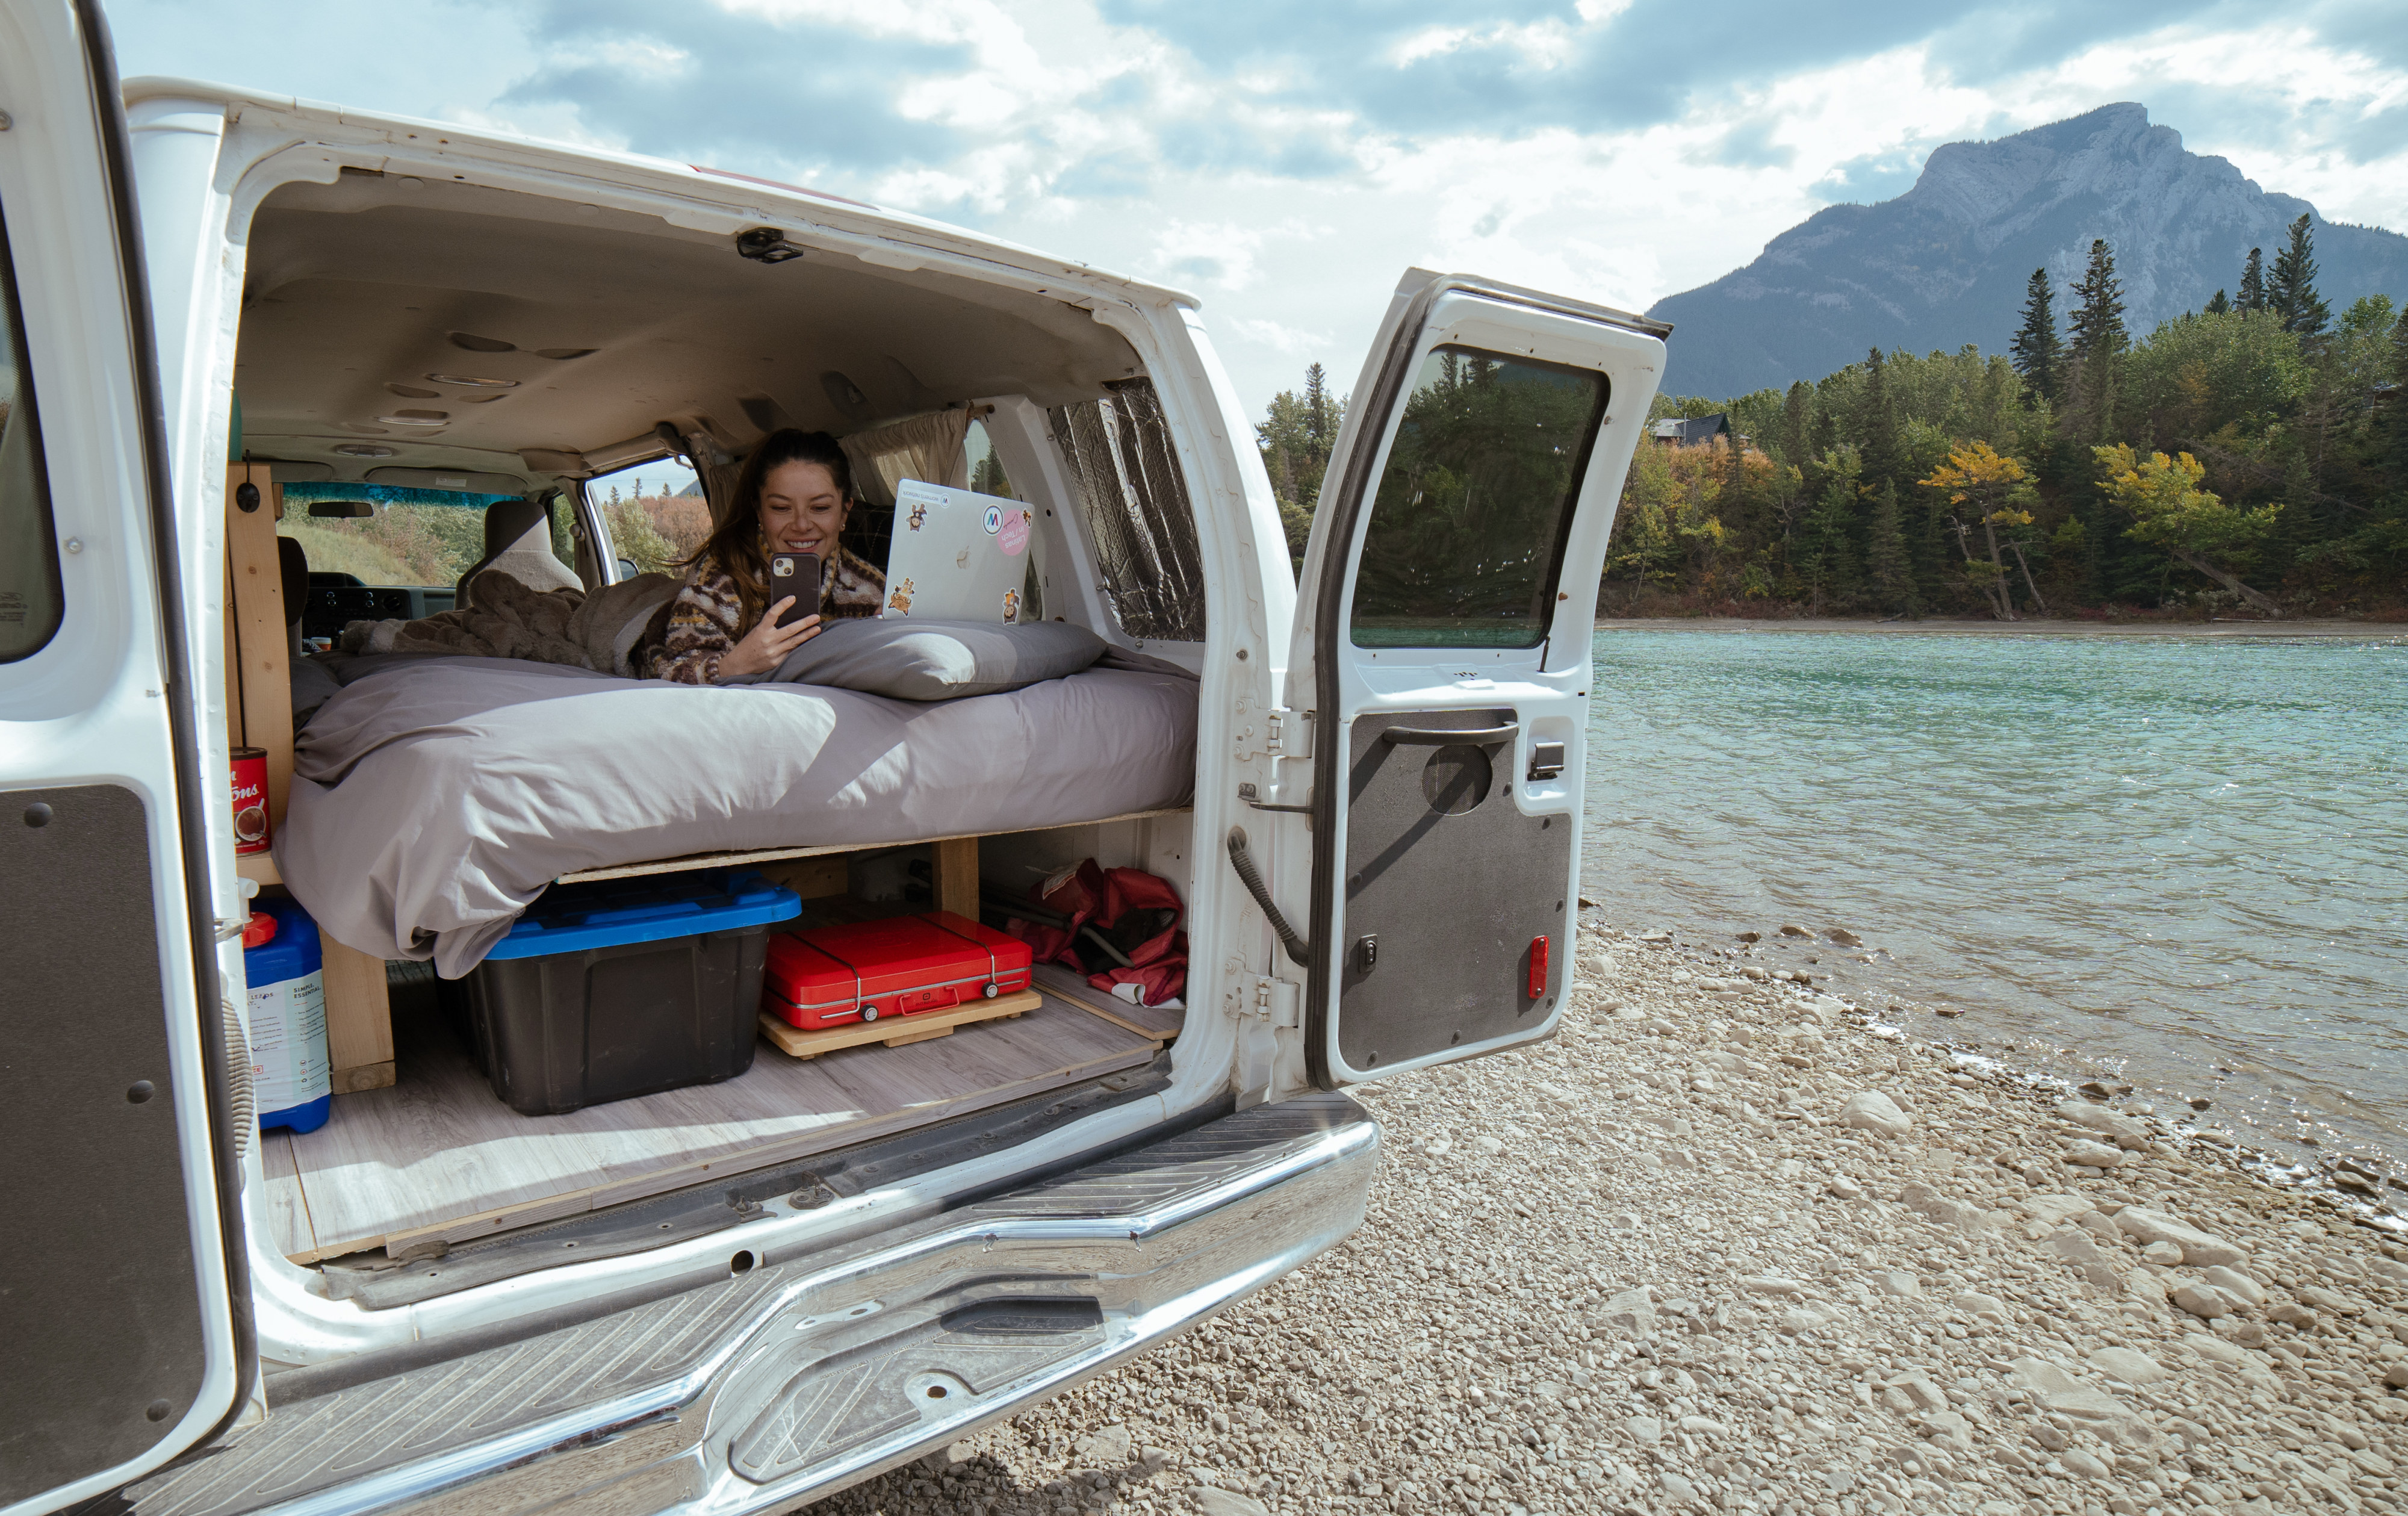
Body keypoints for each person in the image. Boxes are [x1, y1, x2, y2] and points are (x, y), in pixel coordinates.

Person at [642, 429, 886, 684]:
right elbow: (673, 673)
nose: (801, 525)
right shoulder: (721, 574)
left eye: (820, 508)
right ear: (759, 511)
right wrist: (735, 665)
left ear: (845, 512)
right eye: (781, 508)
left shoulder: (869, 590)